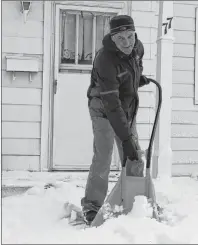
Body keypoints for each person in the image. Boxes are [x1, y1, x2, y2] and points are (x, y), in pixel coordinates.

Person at [81, 15, 150, 224]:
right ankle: (92, 206)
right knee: (103, 156)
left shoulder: (138, 48)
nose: (128, 43)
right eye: (121, 39)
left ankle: (135, 200)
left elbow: (134, 69)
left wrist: (138, 80)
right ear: (112, 38)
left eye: (130, 36)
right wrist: (126, 138)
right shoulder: (104, 59)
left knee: (134, 156)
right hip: (103, 109)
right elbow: (111, 102)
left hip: (127, 108)